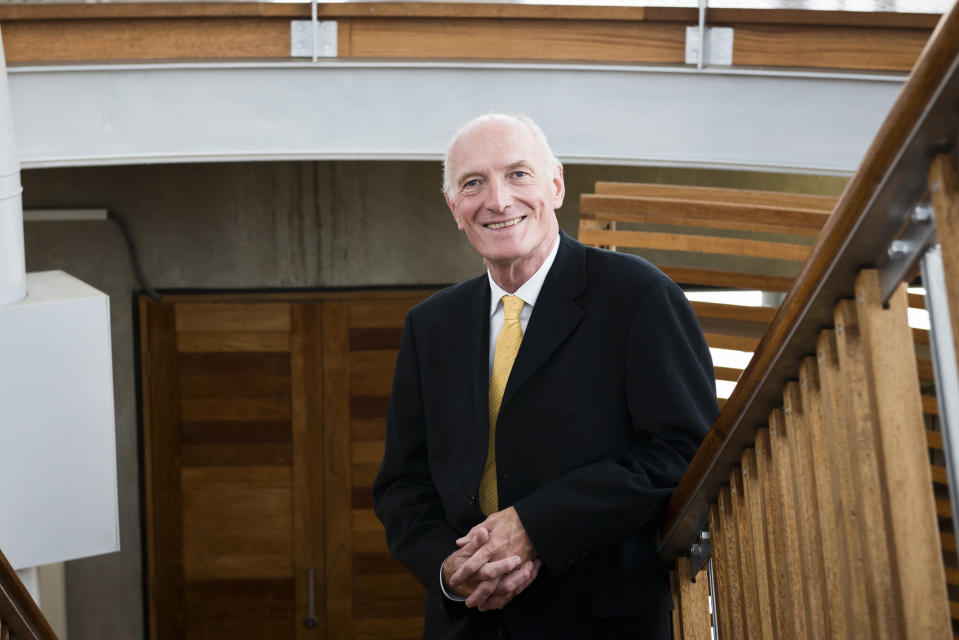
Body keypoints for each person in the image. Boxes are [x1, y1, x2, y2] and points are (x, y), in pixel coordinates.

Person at [372, 113, 718, 639]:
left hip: (601, 622)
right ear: (454, 209)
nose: (498, 200)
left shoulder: (638, 295)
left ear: (555, 184)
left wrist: (535, 527)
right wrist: (452, 571)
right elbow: (403, 485)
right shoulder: (430, 324)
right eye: (473, 184)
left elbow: (685, 453)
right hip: (471, 624)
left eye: (518, 174)